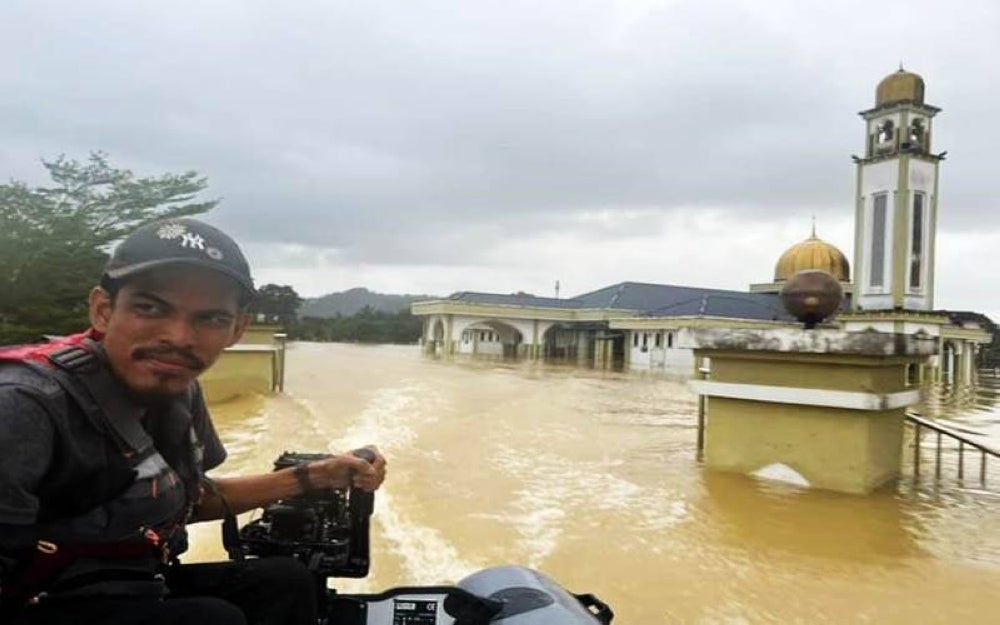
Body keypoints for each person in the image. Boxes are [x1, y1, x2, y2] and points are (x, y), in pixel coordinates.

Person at [0, 218, 387, 625]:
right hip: (40, 595)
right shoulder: (24, 408)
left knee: (286, 582)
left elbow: (188, 499)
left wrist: (316, 477)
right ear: (103, 310)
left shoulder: (178, 388)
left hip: (126, 579)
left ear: (237, 329)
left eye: (211, 319)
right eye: (150, 308)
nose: (180, 337)